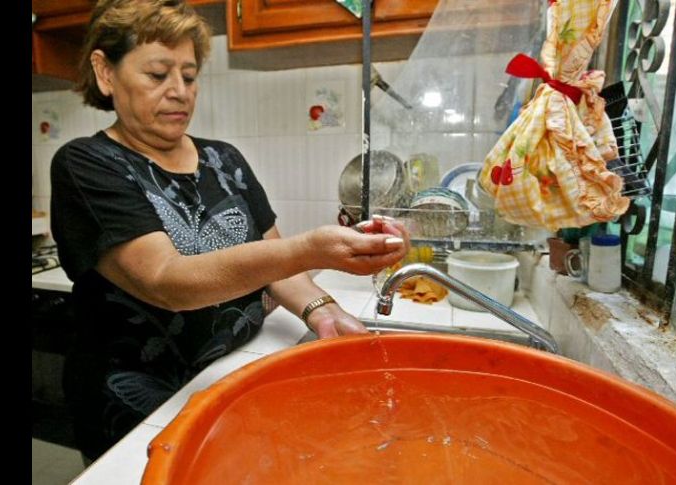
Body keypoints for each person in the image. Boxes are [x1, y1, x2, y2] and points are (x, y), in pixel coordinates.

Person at [49, 0, 409, 462]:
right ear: (105, 72)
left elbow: (274, 260)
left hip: (230, 375)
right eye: (158, 75)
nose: (180, 92)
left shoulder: (225, 160)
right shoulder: (87, 165)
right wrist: (313, 249)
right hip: (138, 407)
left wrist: (321, 310)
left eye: (189, 75)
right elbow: (165, 280)